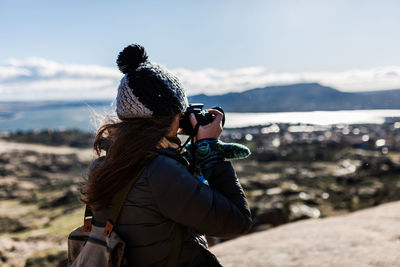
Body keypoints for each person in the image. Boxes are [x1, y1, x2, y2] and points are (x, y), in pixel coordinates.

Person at [80, 44, 253, 266]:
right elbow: (237, 221)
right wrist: (210, 150)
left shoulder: (108, 163)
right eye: (181, 111)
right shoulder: (160, 172)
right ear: (170, 114)